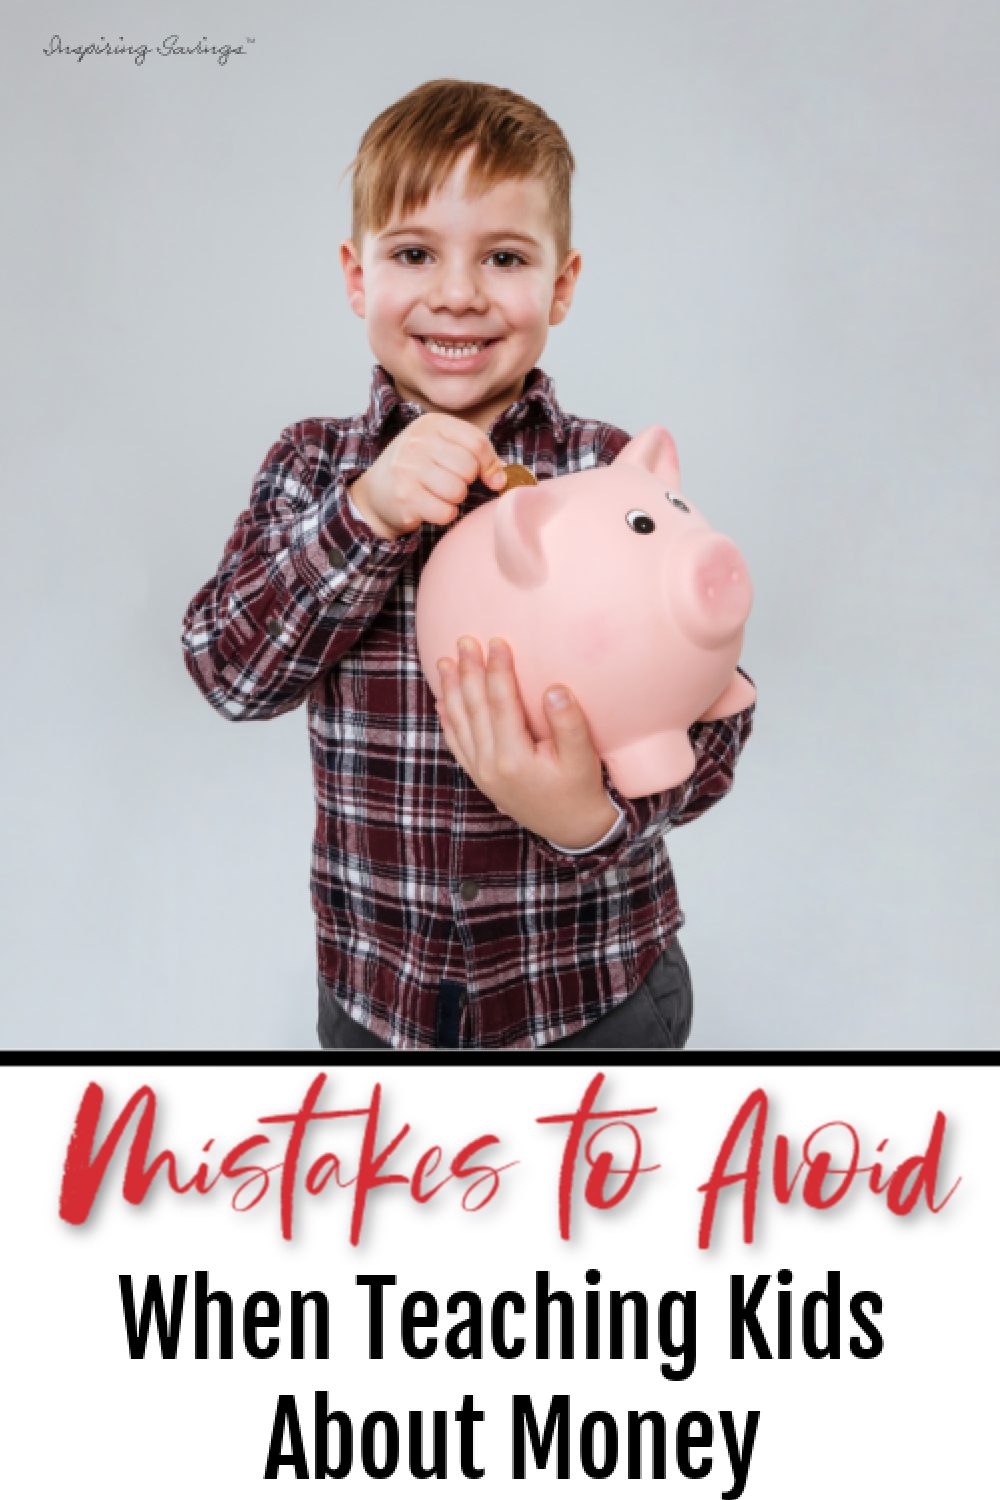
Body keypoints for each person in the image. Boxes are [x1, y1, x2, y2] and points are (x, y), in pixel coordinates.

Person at [181, 79, 755, 1051]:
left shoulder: (608, 471)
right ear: (356, 276)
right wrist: (363, 517)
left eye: (503, 256)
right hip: (382, 996)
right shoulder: (315, 467)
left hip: (591, 986)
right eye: (413, 253)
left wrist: (583, 818)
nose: (457, 291)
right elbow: (229, 671)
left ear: (561, 283)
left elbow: (715, 715)